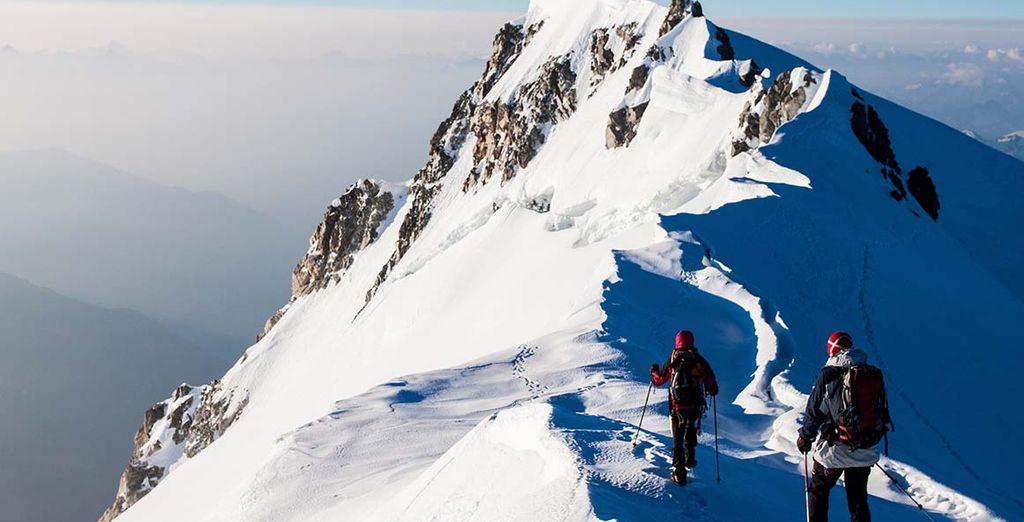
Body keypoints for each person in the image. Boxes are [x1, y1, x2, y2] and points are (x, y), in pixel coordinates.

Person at [797, 331, 889, 522]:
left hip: (834, 450)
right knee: (858, 498)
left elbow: (814, 412)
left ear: (831, 350)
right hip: (865, 447)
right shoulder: (869, 373)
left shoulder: (829, 374)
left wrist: (805, 437)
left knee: (818, 491)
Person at [650, 330, 718, 485]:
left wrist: (653, 371)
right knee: (690, 427)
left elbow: (659, 380)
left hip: (676, 406)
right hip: (694, 405)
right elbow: (712, 384)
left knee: (677, 439)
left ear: (677, 342)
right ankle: (690, 458)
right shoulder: (698, 360)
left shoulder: (673, 360)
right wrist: (711, 389)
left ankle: (679, 472)